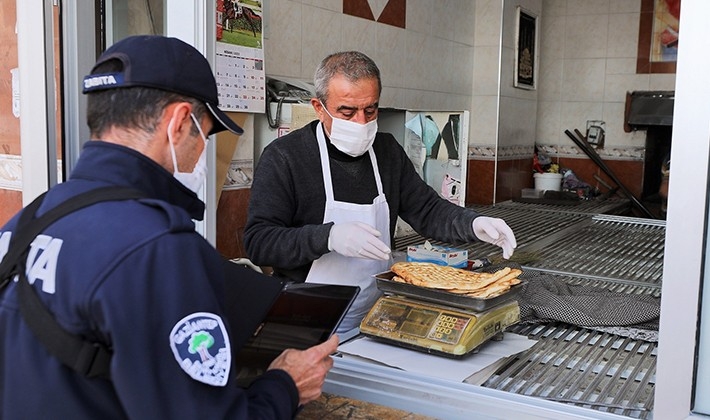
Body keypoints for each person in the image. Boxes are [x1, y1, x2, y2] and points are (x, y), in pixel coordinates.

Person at [0, 35, 337, 419]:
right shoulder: (158, 247)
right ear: (179, 122)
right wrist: (285, 386)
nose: (201, 154)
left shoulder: (28, 221)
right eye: (205, 133)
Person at [243, 51, 517, 337]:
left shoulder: (386, 152)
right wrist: (329, 237)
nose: (361, 122)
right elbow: (259, 241)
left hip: (374, 314)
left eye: (370, 110)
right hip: (303, 318)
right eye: (347, 112)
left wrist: (473, 224)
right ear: (318, 107)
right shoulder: (285, 157)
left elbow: (427, 210)